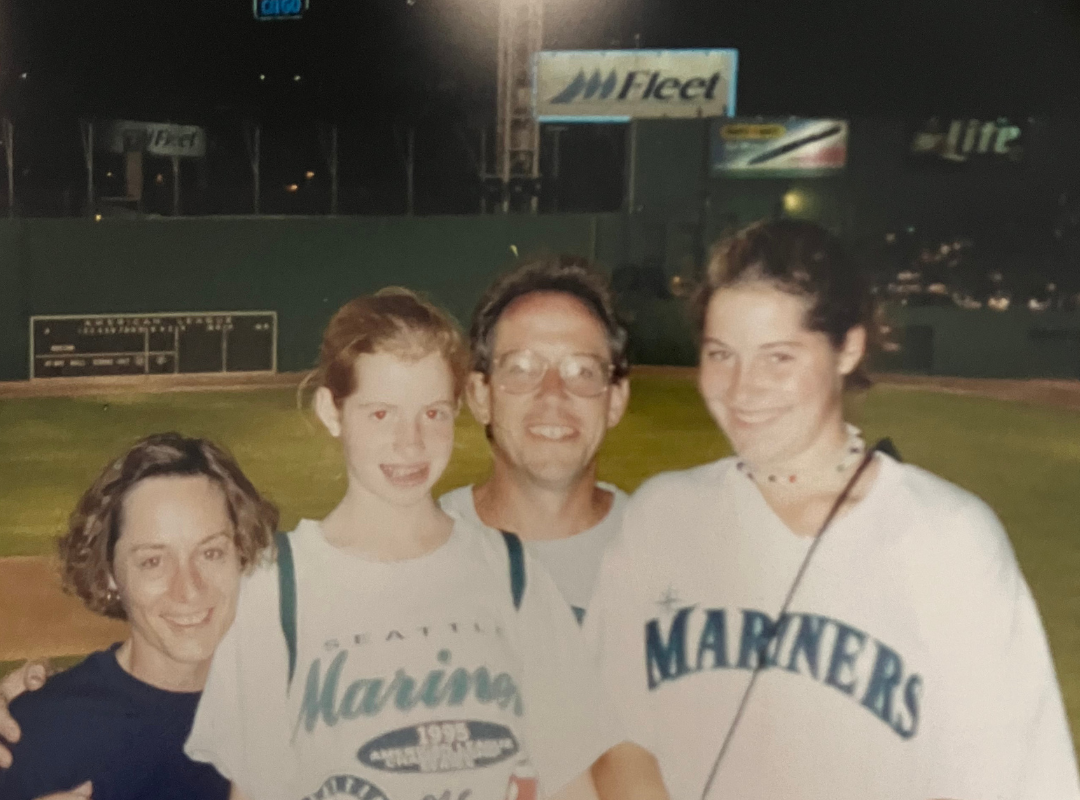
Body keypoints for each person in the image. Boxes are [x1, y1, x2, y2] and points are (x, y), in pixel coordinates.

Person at [585, 219, 1080, 800]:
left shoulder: (948, 539)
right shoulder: (664, 515)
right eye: (722, 354)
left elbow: (1017, 779)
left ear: (849, 347)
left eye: (779, 358)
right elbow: (608, 725)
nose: (742, 390)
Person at [183, 288, 642, 800]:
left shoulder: (513, 572)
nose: (411, 443)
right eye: (381, 414)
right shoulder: (275, 587)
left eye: (433, 414)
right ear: (333, 412)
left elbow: (569, 785)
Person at [0, 433, 278, 800]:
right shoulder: (35, 732)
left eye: (211, 553)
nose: (189, 589)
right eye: (152, 561)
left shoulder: (302, 711)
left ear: (242, 555)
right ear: (109, 574)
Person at [440, 256, 631, 622]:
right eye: (522, 369)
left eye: (582, 370)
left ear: (616, 400)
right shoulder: (419, 553)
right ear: (481, 397)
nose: (553, 393)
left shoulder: (667, 557)